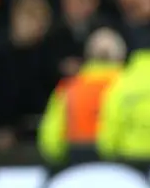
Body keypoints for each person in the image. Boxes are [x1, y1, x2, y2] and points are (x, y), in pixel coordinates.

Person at [38, 28, 126, 164]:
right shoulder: (128, 88)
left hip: (78, 168)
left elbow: (50, 142)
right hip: (123, 170)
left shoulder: (67, 90)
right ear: (120, 57)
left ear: (88, 57)